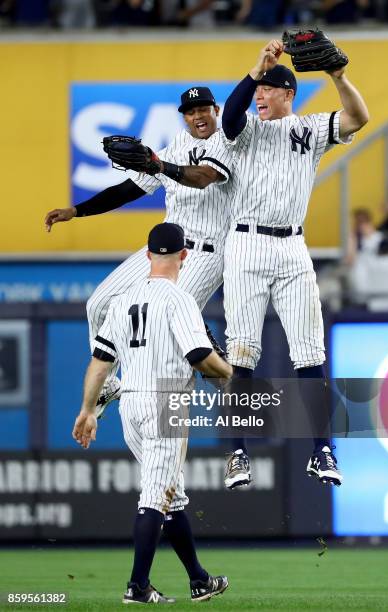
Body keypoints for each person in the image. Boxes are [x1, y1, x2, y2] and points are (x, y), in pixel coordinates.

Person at [45, 86, 252, 490]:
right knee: (99, 303)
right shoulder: (175, 143)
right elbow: (129, 189)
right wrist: (76, 211)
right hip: (162, 249)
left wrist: (160, 165)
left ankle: (233, 448)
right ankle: (109, 384)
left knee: (179, 342)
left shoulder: (228, 141)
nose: (198, 116)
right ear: (183, 116)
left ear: (215, 110)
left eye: (203, 109)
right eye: (190, 111)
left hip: (204, 253)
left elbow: (201, 178)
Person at [221, 38, 369, 486]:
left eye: (268, 88)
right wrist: (256, 68)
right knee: (242, 354)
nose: (260, 95)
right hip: (245, 245)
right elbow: (229, 119)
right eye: (258, 89)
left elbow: (360, 117)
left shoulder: (308, 128)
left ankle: (322, 451)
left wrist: (338, 76)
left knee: (310, 354)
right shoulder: (246, 128)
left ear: (288, 93)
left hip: (292, 249)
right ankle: (238, 455)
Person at [72, 223, 232, 604]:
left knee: (169, 495)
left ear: (146, 255)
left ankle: (198, 580)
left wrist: (88, 410)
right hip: (166, 403)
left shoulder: (125, 299)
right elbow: (199, 358)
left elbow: (100, 362)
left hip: (131, 403)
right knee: (155, 498)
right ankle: (137, 586)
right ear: (184, 255)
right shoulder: (179, 300)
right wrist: (229, 374)